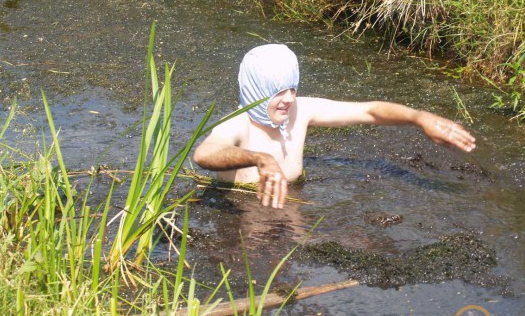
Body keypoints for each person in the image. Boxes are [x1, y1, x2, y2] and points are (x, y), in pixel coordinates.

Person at [193, 44, 476, 210]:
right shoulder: (237, 126)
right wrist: (258, 158)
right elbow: (205, 155)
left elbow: (369, 111)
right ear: (257, 91)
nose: (290, 99)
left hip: (292, 210)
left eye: (292, 88)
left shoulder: (300, 111)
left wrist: (419, 117)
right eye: (278, 92)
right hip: (246, 218)